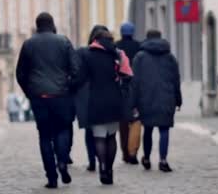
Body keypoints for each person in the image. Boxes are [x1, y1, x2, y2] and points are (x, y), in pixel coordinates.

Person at [16, 13, 79, 189]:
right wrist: (69, 87)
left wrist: (30, 92)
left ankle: (51, 177)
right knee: (62, 130)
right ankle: (62, 162)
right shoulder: (64, 42)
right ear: (52, 24)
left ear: (37, 26)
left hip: (39, 97)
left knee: (44, 136)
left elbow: (20, 73)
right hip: (60, 95)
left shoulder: (28, 44)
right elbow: (76, 69)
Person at [76, 28, 132, 185]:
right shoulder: (118, 54)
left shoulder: (87, 55)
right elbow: (128, 74)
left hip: (96, 99)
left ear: (95, 40)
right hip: (114, 99)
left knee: (99, 137)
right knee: (112, 137)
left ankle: (102, 166)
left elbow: (80, 78)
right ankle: (110, 170)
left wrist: (69, 86)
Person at [132, 29, 181, 172]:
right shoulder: (170, 57)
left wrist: (133, 103)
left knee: (148, 129)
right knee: (164, 129)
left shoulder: (140, 57)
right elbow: (176, 80)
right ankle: (163, 160)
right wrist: (178, 100)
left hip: (146, 99)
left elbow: (135, 82)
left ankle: (146, 158)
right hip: (167, 98)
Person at [74, 25, 108, 172]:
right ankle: (102, 160)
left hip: (85, 95)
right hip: (102, 95)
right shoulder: (109, 53)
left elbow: (76, 73)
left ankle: (92, 160)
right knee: (102, 131)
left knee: (89, 131)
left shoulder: (82, 52)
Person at [115, 22, 142, 165]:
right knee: (136, 120)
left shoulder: (116, 47)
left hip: (120, 87)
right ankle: (133, 152)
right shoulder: (139, 46)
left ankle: (125, 152)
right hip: (136, 87)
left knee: (123, 122)